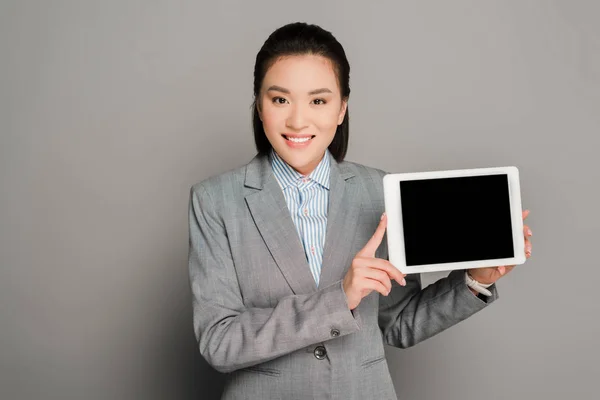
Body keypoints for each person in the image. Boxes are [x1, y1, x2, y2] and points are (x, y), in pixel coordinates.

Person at [187, 22, 533, 400]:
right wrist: (340, 299)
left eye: (318, 100)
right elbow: (219, 341)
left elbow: (398, 323)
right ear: (259, 104)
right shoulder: (215, 200)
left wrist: (476, 279)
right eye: (280, 99)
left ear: (341, 109)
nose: (298, 121)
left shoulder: (379, 191)